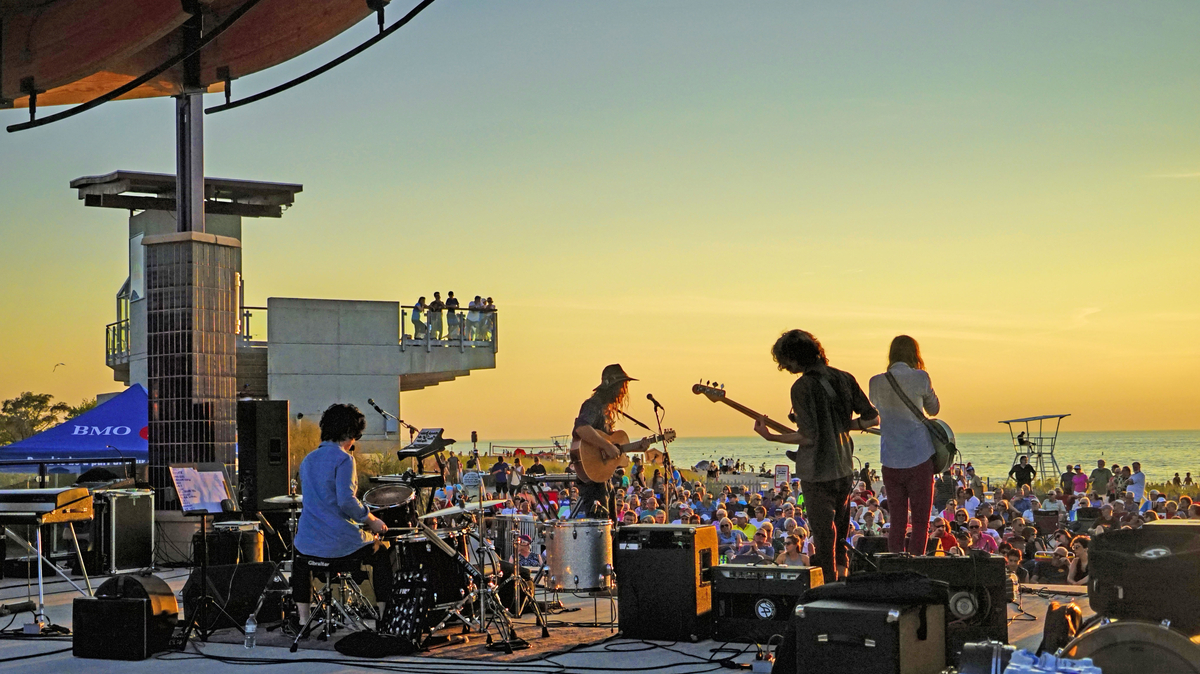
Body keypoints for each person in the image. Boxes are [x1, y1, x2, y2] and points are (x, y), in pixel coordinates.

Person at [752, 329, 879, 582]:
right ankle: (843, 578)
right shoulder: (845, 378)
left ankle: (829, 589)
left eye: (785, 362)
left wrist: (771, 437)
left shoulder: (802, 386)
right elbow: (872, 418)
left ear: (795, 357)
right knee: (841, 532)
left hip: (817, 472)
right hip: (844, 467)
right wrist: (840, 426)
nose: (784, 367)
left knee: (824, 538)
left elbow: (808, 436)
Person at [291, 404, 391, 630]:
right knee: (381, 552)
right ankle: (384, 619)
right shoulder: (344, 459)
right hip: (337, 545)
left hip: (308, 545)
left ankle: (303, 620)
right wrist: (371, 520)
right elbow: (346, 501)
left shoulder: (308, 460)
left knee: (300, 563)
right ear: (350, 433)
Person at [869, 335, 941, 555]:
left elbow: (877, 407)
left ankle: (894, 565)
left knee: (897, 521)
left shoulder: (876, 382)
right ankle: (916, 565)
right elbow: (934, 409)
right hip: (919, 456)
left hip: (890, 459)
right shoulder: (920, 378)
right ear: (914, 354)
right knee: (920, 522)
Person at [570, 364, 650, 520]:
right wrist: (606, 445)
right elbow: (581, 428)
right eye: (622, 386)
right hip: (592, 479)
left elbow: (614, 449)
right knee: (601, 527)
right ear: (612, 387)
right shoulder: (593, 405)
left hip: (603, 478)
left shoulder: (606, 410)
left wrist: (636, 447)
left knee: (611, 527)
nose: (624, 391)